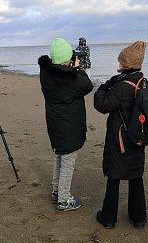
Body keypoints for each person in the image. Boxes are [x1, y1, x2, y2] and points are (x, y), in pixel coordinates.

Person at [94, 41, 148, 229]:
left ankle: (108, 218)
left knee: (114, 177)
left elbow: (102, 105)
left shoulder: (122, 86)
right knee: (136, 177)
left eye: (120, 61)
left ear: (125, 64)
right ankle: (139, 218)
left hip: (120, 139)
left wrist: (101, 88)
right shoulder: (142, 81)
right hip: (137, 138)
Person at [38, 38, 93, 212]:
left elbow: (65, 75)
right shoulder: (71, 79)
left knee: (59, 157)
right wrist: (78, 68)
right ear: (67, 60)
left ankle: (56, 192)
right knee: (67, 163)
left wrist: (72, 67)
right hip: (70, 128)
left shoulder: (47, 74)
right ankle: (63, 200)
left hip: (55, 126)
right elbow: (87, 85)